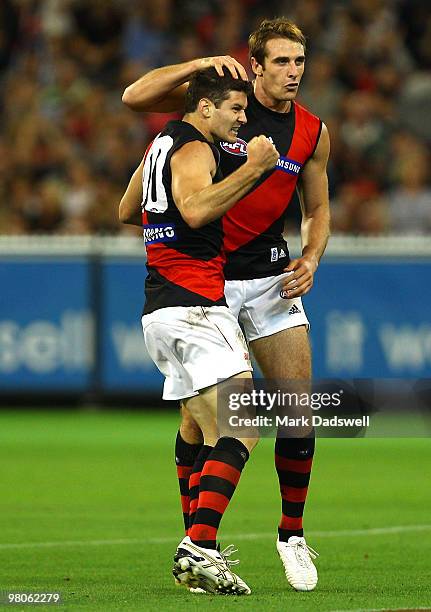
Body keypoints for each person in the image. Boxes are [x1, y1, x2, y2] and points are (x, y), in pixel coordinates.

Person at [122, 17, 330, 592]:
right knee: (207, 421)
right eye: (283, 62)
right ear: (254, 65)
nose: (294, 73)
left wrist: (311, 256)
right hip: (207, 284)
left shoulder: (312, 132)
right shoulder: (219, 102)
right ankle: (199, 542)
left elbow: (317, 208)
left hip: (266, 279)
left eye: (300, 62)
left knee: (295, 405)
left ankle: (290, 535)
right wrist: (196, 64)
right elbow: (135, 97)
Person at [119, 66, 279, 595]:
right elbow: (193, 210)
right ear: (204, 107)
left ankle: (198, 553)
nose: (242, 117)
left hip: (160, 308)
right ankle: (199, 547)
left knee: (206, 431)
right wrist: (253, 169)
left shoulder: (160, 143)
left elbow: (127, 209)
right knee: (243, 428)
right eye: (235, 108)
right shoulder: (195, 147)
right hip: (195, 306)